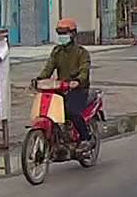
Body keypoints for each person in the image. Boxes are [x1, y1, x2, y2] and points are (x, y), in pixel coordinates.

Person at [32, 18, 93, 148]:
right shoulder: (57, 51)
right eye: (60, 33)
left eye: (65, 33)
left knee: (71, 111)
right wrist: (39, 79)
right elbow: (48, 68)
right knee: (47, 109)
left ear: (73, 34)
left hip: (78, 90)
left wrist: (77, 81)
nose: (62, 36)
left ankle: (85, 138)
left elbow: (84, 70)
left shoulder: (82, 53)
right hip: (61, 89)